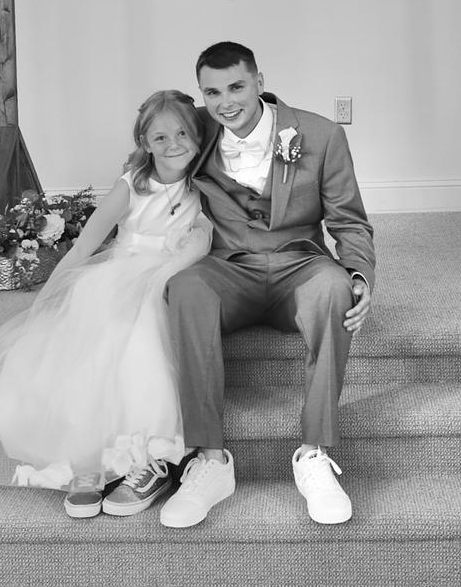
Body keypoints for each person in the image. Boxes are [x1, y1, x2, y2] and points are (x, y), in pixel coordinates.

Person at [0, 89, 212, 519]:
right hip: (118, 277)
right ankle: (85, 463)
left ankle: (143, 458)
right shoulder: (132, 186)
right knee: (92, 350)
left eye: (183, 133)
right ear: (144, 143)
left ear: (198, 136)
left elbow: (209, 232)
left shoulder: (204, 186)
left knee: (144, 346)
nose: (174, 144)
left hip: (167, 280)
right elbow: (84, 247)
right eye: (161, 137)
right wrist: (52, 295)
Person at [160, 42, 375, 530]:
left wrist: (360, 274)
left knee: (334, 288)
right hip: (228, 267)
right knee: (185, 288)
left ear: (260, 81)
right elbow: (149, 155)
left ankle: (314, 454)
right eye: (212, 92)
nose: (225, 102)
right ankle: (211, 461)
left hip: (299, 265)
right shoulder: (194, 129)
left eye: (236, 87)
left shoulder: (321, 134)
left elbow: (349, 220)